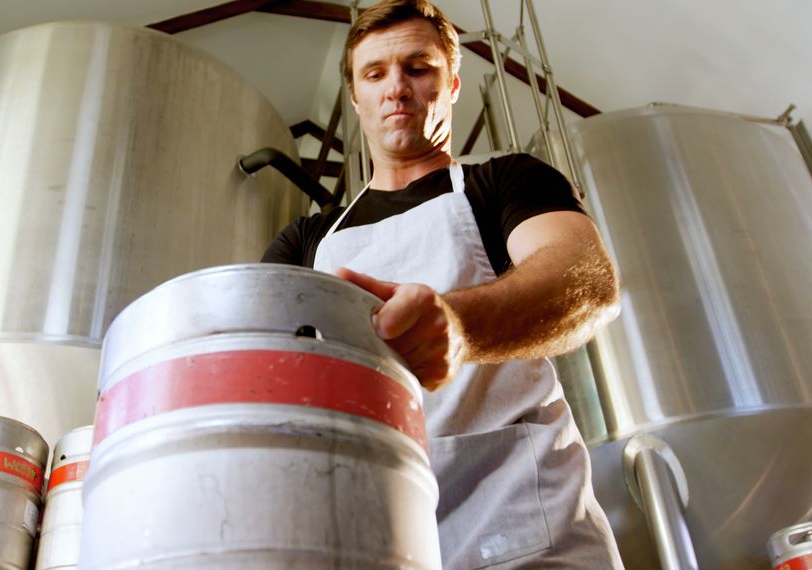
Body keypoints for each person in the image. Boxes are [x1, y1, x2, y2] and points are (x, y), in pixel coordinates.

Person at [261, 0, 624, 567]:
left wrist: (459, 326)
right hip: (366, 529)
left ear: (452, 83)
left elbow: (584, 281)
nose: (397, 88)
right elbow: (258, 365)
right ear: (356, 96)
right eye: (375, 74)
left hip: (517, 520)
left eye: (418, 67)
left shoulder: (504, 181)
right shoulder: (306, 240)